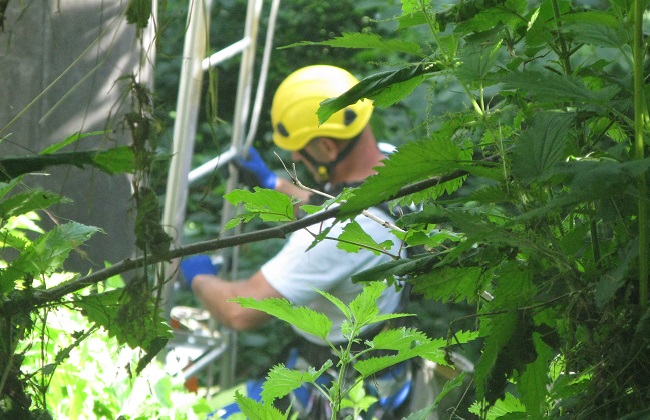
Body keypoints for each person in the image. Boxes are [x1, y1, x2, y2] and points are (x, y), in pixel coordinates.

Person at [182, 65, 404, 350]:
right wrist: (273, 185)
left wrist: (198, 278)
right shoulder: (394, 164)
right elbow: (334, 206)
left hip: (336, 377)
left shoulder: (333, 237)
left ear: (327, 148)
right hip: (383, 345)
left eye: (300, 147)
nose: (295, 155)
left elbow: (240, 313)